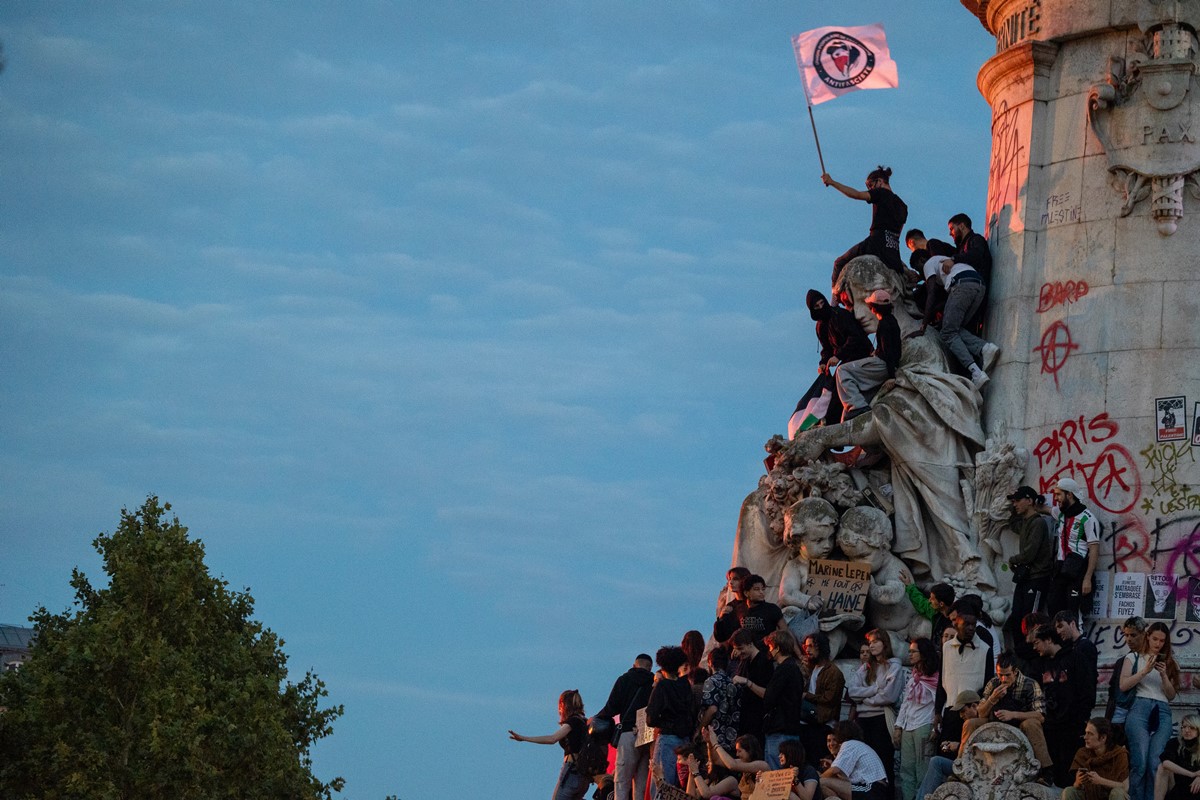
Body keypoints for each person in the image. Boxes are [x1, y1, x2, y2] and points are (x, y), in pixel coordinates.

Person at [919, 253, 1000, 389]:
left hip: (961, 285)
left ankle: (976, 373)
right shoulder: (944, 261)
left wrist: (924, 323)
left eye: (918, 268)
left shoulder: (928, 264)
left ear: (921, 261)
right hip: (978, 284)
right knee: (955, 329)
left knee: (947, 333)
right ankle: (985, 348)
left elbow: (931, 293)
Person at [1122, 621, 1181, 800]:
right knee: (1139, 762)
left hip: (1162, 709)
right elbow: (1123, 685)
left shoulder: (1170, 662)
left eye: (1162, 641)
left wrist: (1164, 675)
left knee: (1155, 762)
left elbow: (1171, 695)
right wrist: (1144, 671)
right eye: (1155, 639)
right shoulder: (1133, 658)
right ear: (1147, 637)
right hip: (1139, 707)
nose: (1158, 644)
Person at [822, 166, 910, 284]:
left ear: (879, 181)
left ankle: (833, 300)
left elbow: (857, 194)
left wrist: (832, 182)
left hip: (875, 243)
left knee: (838, 263)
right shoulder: (903, 206)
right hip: (893, 252)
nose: (870, 189)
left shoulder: (880, 193)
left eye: (870, 185)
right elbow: (898, 233)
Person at [736, 629, 805, 769]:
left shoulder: (783, 669)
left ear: (777, 648)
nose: (769, 650)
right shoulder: (794, 669)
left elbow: (768, 697)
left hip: (779, 730)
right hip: (791, 728)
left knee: (774, 773)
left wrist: (748, 683)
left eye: (771, 647)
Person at [508, 689, 592, 800]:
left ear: (563, 705)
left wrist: (524, 738)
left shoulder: (573, 722)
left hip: (571, 772)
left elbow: (552, 739)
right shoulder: (584, 722)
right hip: (584, 776)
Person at [846, 628, 902, 788]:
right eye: (870, 642)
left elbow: (889, 696)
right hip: (863, 720)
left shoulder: (894, 666)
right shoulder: (865, 668)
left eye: (875, 641)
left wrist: (865, 701)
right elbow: (853, 692)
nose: (871, 646)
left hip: (881, 720)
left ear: (884, 644)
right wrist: (874, 689)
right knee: (865, 764)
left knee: (884, 763)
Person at [834, 289, 901, 422]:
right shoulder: (891, 321)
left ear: (873, 308)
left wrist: (892, 376)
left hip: (883, 365)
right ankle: (853, 409)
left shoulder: (885, 324)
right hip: (886, 364)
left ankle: (858, 407)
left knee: (843, 371)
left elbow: (888, 352)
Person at [598, 654, 656, 800]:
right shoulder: (654, 683)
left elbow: (611, 707)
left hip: (628, 732)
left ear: (634, 665)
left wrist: (597, 717)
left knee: (622, 782)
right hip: (646, 734)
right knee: (641, 786)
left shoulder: (624, 680)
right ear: (650, 668)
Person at [1032, 624, 1081, 787]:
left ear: (1048, 640)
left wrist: (1081, 716)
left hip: (1071, 723)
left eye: (1037, 642)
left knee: (1067, 768)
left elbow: (1085, 687)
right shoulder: (1041, 664)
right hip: (1051, 724)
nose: (1034, 647)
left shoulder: (1073, 657)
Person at [647, 646, 697, 797]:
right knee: (679, 787)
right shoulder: (686, 685)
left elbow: (651, 718)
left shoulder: (662, 687)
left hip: (667, 738)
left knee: (661, 785)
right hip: (685, 740)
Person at [894, 637, 940, 800]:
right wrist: (898, 726)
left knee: (923, 770)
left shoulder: (935, 678)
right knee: (906, 769)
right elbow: (906, 702)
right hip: (908, 726)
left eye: (914, 651)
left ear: (924, 653)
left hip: (924, 725)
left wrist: (936, 728)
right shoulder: (914, 676)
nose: (910, 654)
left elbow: (939, 706)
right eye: (910, 651)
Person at [1048, 477, 1100, 618]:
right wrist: (1036, 501)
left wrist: (1087, 578)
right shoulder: (1060, 513)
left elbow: (1094, 549)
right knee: (1054, 609)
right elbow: (1044, 509)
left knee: (1074, 614)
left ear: (1069, 495)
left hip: (1078, 570)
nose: (1056, 498)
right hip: (1060, 569)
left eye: (1059, 494)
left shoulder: (1087, 518)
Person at [1006, 486, 1055, 636]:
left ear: (1029, 501)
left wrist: (1013, 560)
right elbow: (1013, 525)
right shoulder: (1026, 522)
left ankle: (1031, 653)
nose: (1015, 504)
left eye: (1018, 500)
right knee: (1017, 618)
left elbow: (1029, 554)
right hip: (1026, 579)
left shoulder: (1037, 523)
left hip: (1037, 579)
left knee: (1031, 620)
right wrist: (1012, 508)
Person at [915, 690, 981, 800]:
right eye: (960, 712)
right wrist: (953, 746)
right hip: (964, 764)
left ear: (974, 706)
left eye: (963, 711)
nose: (961, 716)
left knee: (936, 762)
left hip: (975, 768)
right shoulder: (968, 723)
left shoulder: (977, 723)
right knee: (936, 761)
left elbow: (978, 751)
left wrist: (958, 746)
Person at [800, 632, 847, 770]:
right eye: (806, 646)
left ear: (821, 648)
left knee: (818, 763)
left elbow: (829, 698)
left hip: (823, 723)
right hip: (809, 721)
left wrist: (807, 696)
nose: (807, 650)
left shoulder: (834, 672)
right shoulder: (813, 668)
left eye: (811, 646)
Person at [820, 720, 890, 800]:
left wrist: (818, 778)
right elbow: (843, 778)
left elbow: (835, 770)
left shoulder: (849, 744)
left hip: (871, 788)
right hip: (876, 789)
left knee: (821, 782)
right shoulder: (859, 745)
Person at [1066, 718, 1130, 800]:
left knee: (1118, 792)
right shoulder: (1082, 753)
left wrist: (1100, 780)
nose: (1085, 737)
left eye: (1090, 734)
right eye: (1085, 733)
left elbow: (1125, 787)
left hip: (1110, 797)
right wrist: (1078, 782)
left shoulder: (1119, 754)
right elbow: (1076, 786)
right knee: (1069, 791)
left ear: (1103, 738)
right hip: (1090, 797)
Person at [732, 628, 774, 744]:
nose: (739, 652)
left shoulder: (763, 662)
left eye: (741, 648)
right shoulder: (745, 662)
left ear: (750, 644)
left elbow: (767, 693)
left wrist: (747, 682)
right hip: (747, 719)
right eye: (736, 649)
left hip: (758, 720)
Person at [707, 729, 770, 800]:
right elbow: (716, 760)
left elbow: (732, 765)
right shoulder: (744, 762)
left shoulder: (762, 765)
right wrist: (709, 742)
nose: (737, 754)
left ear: (750, 750)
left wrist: (715, 744)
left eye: (739, 751)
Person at [1106, 617, 1147, 727]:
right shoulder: (1122, 662)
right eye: (1126, 635)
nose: (1128, 639)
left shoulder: (1150, 659)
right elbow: (1113, 692)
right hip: (1120, 715)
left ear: (1143, 634)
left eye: (1133, 635)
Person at [700, 648, 740, 751]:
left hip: (715, 737)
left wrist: (700, 728)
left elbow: (712, 709)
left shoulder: (711, 682)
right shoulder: (734, 683)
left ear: (710, 663)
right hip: (732, 738)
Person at [1156, 714, 1200, 800]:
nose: (1187, 730)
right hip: (1178, 784)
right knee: (1162, 768)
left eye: (1191, 727)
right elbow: (1166, 762)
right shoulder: (1174, 742)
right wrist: (1192, 774)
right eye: (1184, 727)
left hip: (1196, 786)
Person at [947, 213, 993, 288]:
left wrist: (953, 259)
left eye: (952, 229)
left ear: (961, 226)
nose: (950, 233)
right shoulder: (961, 248)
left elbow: (975, 255)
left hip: (975, 288)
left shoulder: (976, 239)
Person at [740, 574, 787, 646]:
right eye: (757, 589)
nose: (761, 592)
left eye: (763, 589)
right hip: (746, 652)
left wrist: (799, 655)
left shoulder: (772, 609)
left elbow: (785, 631)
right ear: (746, 593)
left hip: (768, 652)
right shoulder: (739, 610)